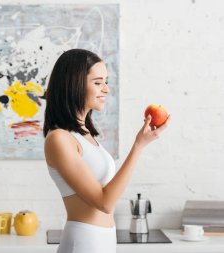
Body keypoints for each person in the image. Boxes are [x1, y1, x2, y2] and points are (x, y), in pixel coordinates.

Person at [43, 48, 170, 253]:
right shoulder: (59, 139)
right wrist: (138, 146)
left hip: (103, 241)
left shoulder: (84, 134)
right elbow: (105, 203)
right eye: (97, 82)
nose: (106, 89)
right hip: (83, 242)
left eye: (106, 82)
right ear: (73, 84)